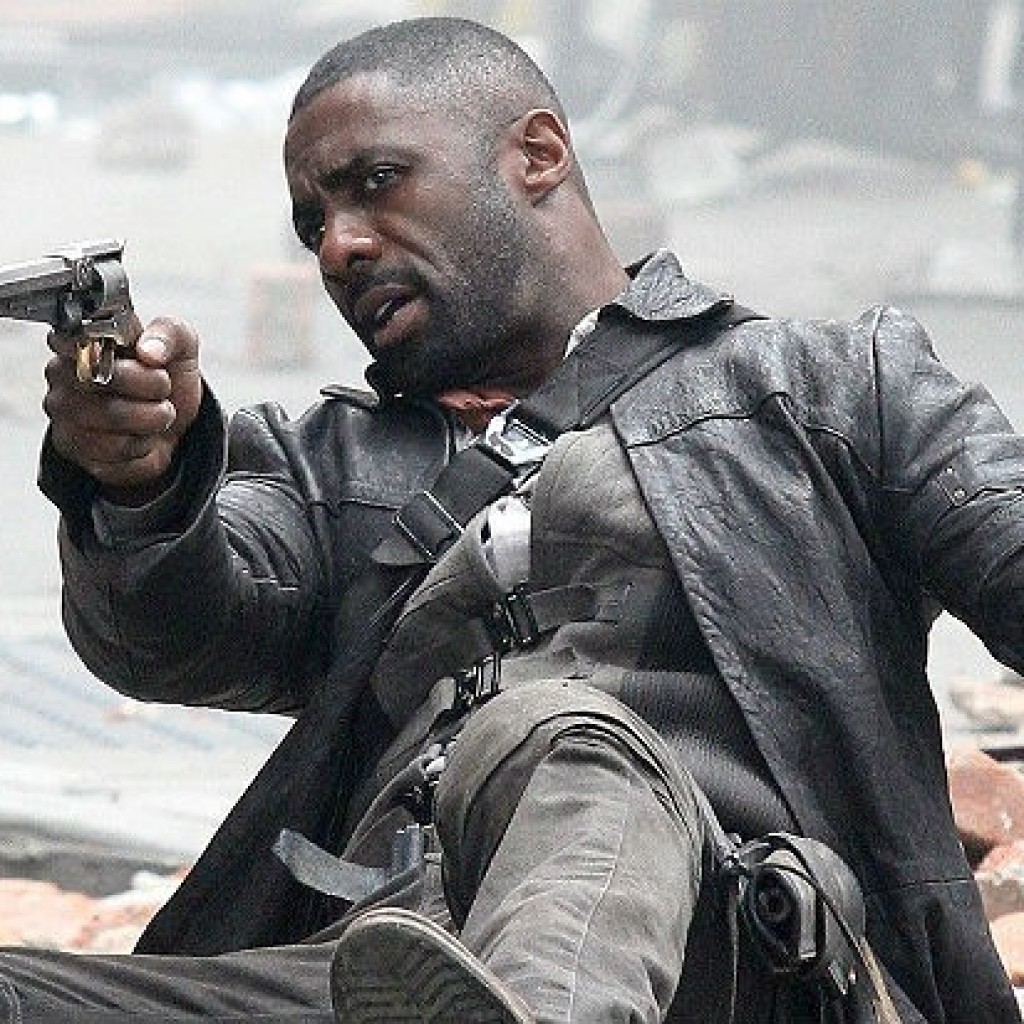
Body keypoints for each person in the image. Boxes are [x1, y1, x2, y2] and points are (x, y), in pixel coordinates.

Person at [9, 13, 1022, 1024]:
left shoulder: (827, 388)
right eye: (314, 227)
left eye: (375, 183)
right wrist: (142, 482)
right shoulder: (327, 464)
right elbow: (174, 637)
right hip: (379, 975)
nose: (340, 247)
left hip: (743, 962)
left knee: (555, 737)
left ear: (536, 155)